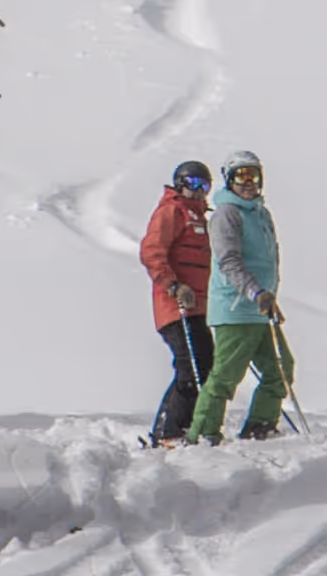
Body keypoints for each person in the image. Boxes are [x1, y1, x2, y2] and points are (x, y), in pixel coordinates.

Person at [187, 149, 295, 443]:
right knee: (226, 375)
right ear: (228, 180)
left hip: (259, 306)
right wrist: (256, 292)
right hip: (236, 307)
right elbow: (229, 261)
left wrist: (267, 296)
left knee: (280, 368)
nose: (248, 182)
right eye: (240, 176)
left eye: (253, 175)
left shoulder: (261, 214)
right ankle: (203, 433)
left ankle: (260, 424)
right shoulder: (226, 214)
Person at [139, 158, 215, 445]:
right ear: (180, 184)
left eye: (204, 186)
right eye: (192, 184)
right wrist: (173, 285)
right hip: (176, 306)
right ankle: (169, 431)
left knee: (204, 364)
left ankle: (178, 426)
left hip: (199, 307)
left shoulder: (201, 218)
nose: (198, 191)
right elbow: (151, 252)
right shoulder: (171, 211)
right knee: (190, 364)